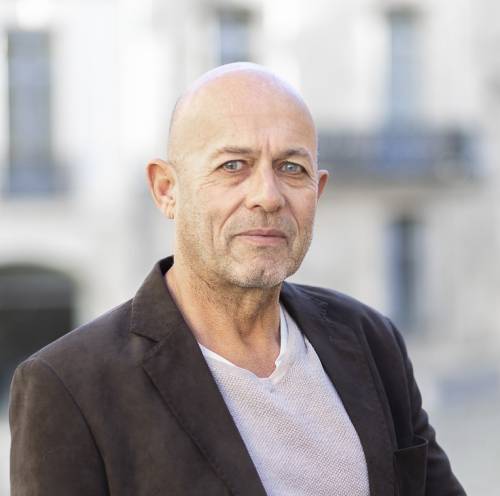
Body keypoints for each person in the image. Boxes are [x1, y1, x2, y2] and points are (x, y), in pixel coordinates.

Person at [9, 63, 466, 496]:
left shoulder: (370, 340)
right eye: (233, 166)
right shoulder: (69, 386)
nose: (267, 196)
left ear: (318, 191)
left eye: (292, 168)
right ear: (167, 189)